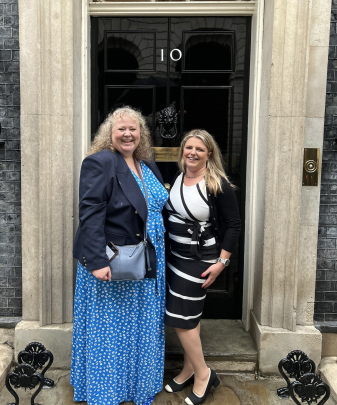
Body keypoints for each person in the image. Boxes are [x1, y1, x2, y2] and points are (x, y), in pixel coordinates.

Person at [70, 106, 169, 405]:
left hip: (150, 257)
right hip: (115, 260)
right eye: (121, 129)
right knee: (111, 331)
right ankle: (106, 391)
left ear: (142, 134)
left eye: (134, 129)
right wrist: (97, 261)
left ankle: (137, 386)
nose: (128, 134)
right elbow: (89, 215)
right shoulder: (100, 162)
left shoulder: (146, 163)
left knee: (141, 325)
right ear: (109, 135)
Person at [164, 129, 241, 405]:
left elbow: (233, 225)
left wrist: (221, 263)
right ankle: (187, 369)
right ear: (182, 151)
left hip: (199, 259)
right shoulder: (180, 176)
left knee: (181, 320)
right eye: (188, 148)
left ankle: (203, 374)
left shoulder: (216, 182)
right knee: (190, 320)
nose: (193, 153)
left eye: (199, 149)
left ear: (209, 153)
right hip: (175, 256)